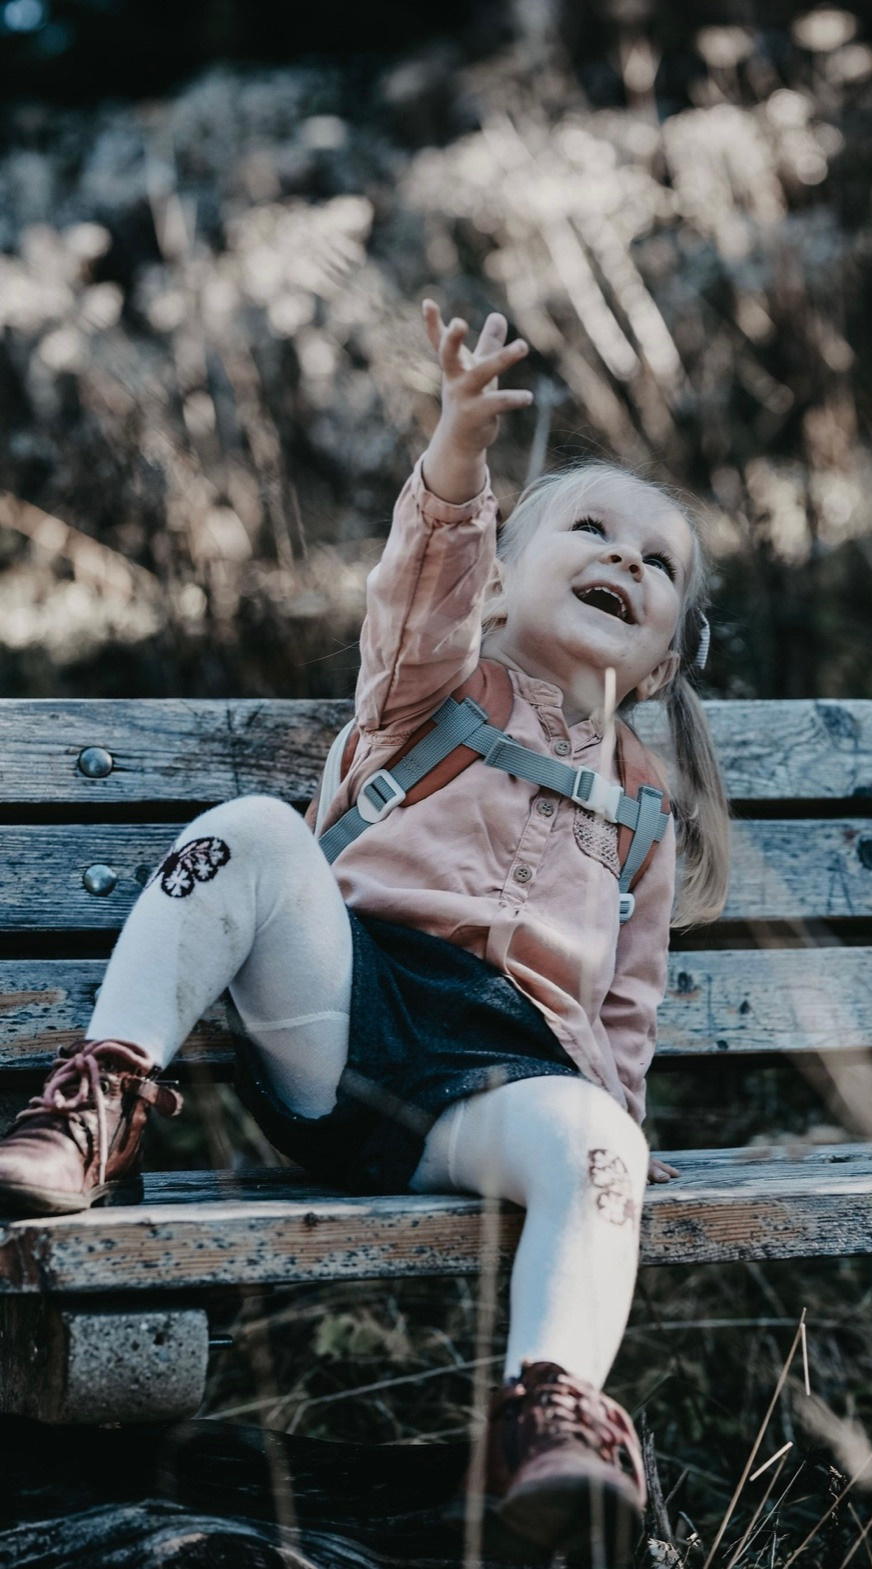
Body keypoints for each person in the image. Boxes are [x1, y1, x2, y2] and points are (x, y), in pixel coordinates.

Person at [0, 301, 730, 1562]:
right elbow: (423, 581)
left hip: (499, 1089)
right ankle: (102, 1096)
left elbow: (627, 1002)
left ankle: (553, 1418)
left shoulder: (644, 806)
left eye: (659, 563)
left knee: (593, 1139)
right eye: (594, 531)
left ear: (663, 663)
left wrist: (613, 1126)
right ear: (503, 584)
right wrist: (458, 450)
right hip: (343, 1024)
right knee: (254, 828)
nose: (628, 558)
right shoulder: (433, 685)